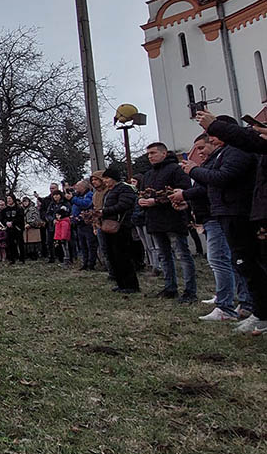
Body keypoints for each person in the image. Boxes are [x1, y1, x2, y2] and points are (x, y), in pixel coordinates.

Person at [197, 110, 267, 334]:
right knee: (243, 263)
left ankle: (251, 309)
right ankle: (258, 311)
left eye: (211, 135)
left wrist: (194, 171)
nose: (210, 140)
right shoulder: (225, 152)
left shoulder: (237, 151)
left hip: (238, 211)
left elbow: (223, 178)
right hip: (233, 211)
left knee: (242, 262)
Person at [172, 133, 252, 321]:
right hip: (213, 214)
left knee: (219, 260)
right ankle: (241, 302)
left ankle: (226, 305)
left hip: (218, 215)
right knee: (230, 261)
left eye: (201, 148)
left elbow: (212, 185)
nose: (199, 153)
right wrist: (188, 202)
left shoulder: (224, 159)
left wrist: (187, 189)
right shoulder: (215, 160)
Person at [139, 142, 198, 303]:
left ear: (164, 153)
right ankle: (170, 287)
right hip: (154, 220)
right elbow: (142, 193)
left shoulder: (176, 170)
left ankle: (189, 291)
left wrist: (156, 201)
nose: (150, 156)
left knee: (182, 255)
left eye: (153, 153)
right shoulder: (148, 175)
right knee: (164, 256)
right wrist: (142, 201)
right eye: (148, 154)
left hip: (173, 219)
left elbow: (183, 191)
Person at [100, 168, 140, 293]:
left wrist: (105, 211)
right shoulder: (109, 192)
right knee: (113, 256)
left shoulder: (124, 189)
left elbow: (124, 205)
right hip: (109, 226)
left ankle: (131, 285)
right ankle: (121, 283)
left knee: (123, 256)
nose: (105, 181)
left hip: (121, 226)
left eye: (107, 178)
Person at [70, 180, 97, 270]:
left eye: (77, 186)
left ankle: (91, 264)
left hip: (87, 223)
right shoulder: (78, 196)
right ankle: (84, 263)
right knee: (83, 245)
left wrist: (72, 199)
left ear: (83, 187)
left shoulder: (89, 195)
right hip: (78, 224)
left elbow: (86, 204)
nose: (76, 188)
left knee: (90, 244)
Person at [2, 195, 25, 264]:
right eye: (7, 199)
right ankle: (12, 259)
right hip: (9, 229)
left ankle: (22, 259)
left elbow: (20, 218)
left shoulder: (19, 208)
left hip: (18, 228)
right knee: (10, 244)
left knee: (20, 244)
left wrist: (13, 222)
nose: (8, 200)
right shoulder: (5, 210)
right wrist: (6, 222)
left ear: (13, 199)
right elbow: (2, 218)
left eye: (10, 198)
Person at [21, 196, 43, 260]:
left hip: (33, 228)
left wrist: (30, 224)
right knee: (27, 243)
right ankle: (28, 255)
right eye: (24, 201)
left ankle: (35, 255)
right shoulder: (22, 209)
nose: (25, 203)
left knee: (34, 243)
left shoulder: (33, 209)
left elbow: (36, 218)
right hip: (25, 228)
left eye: (26, 201)